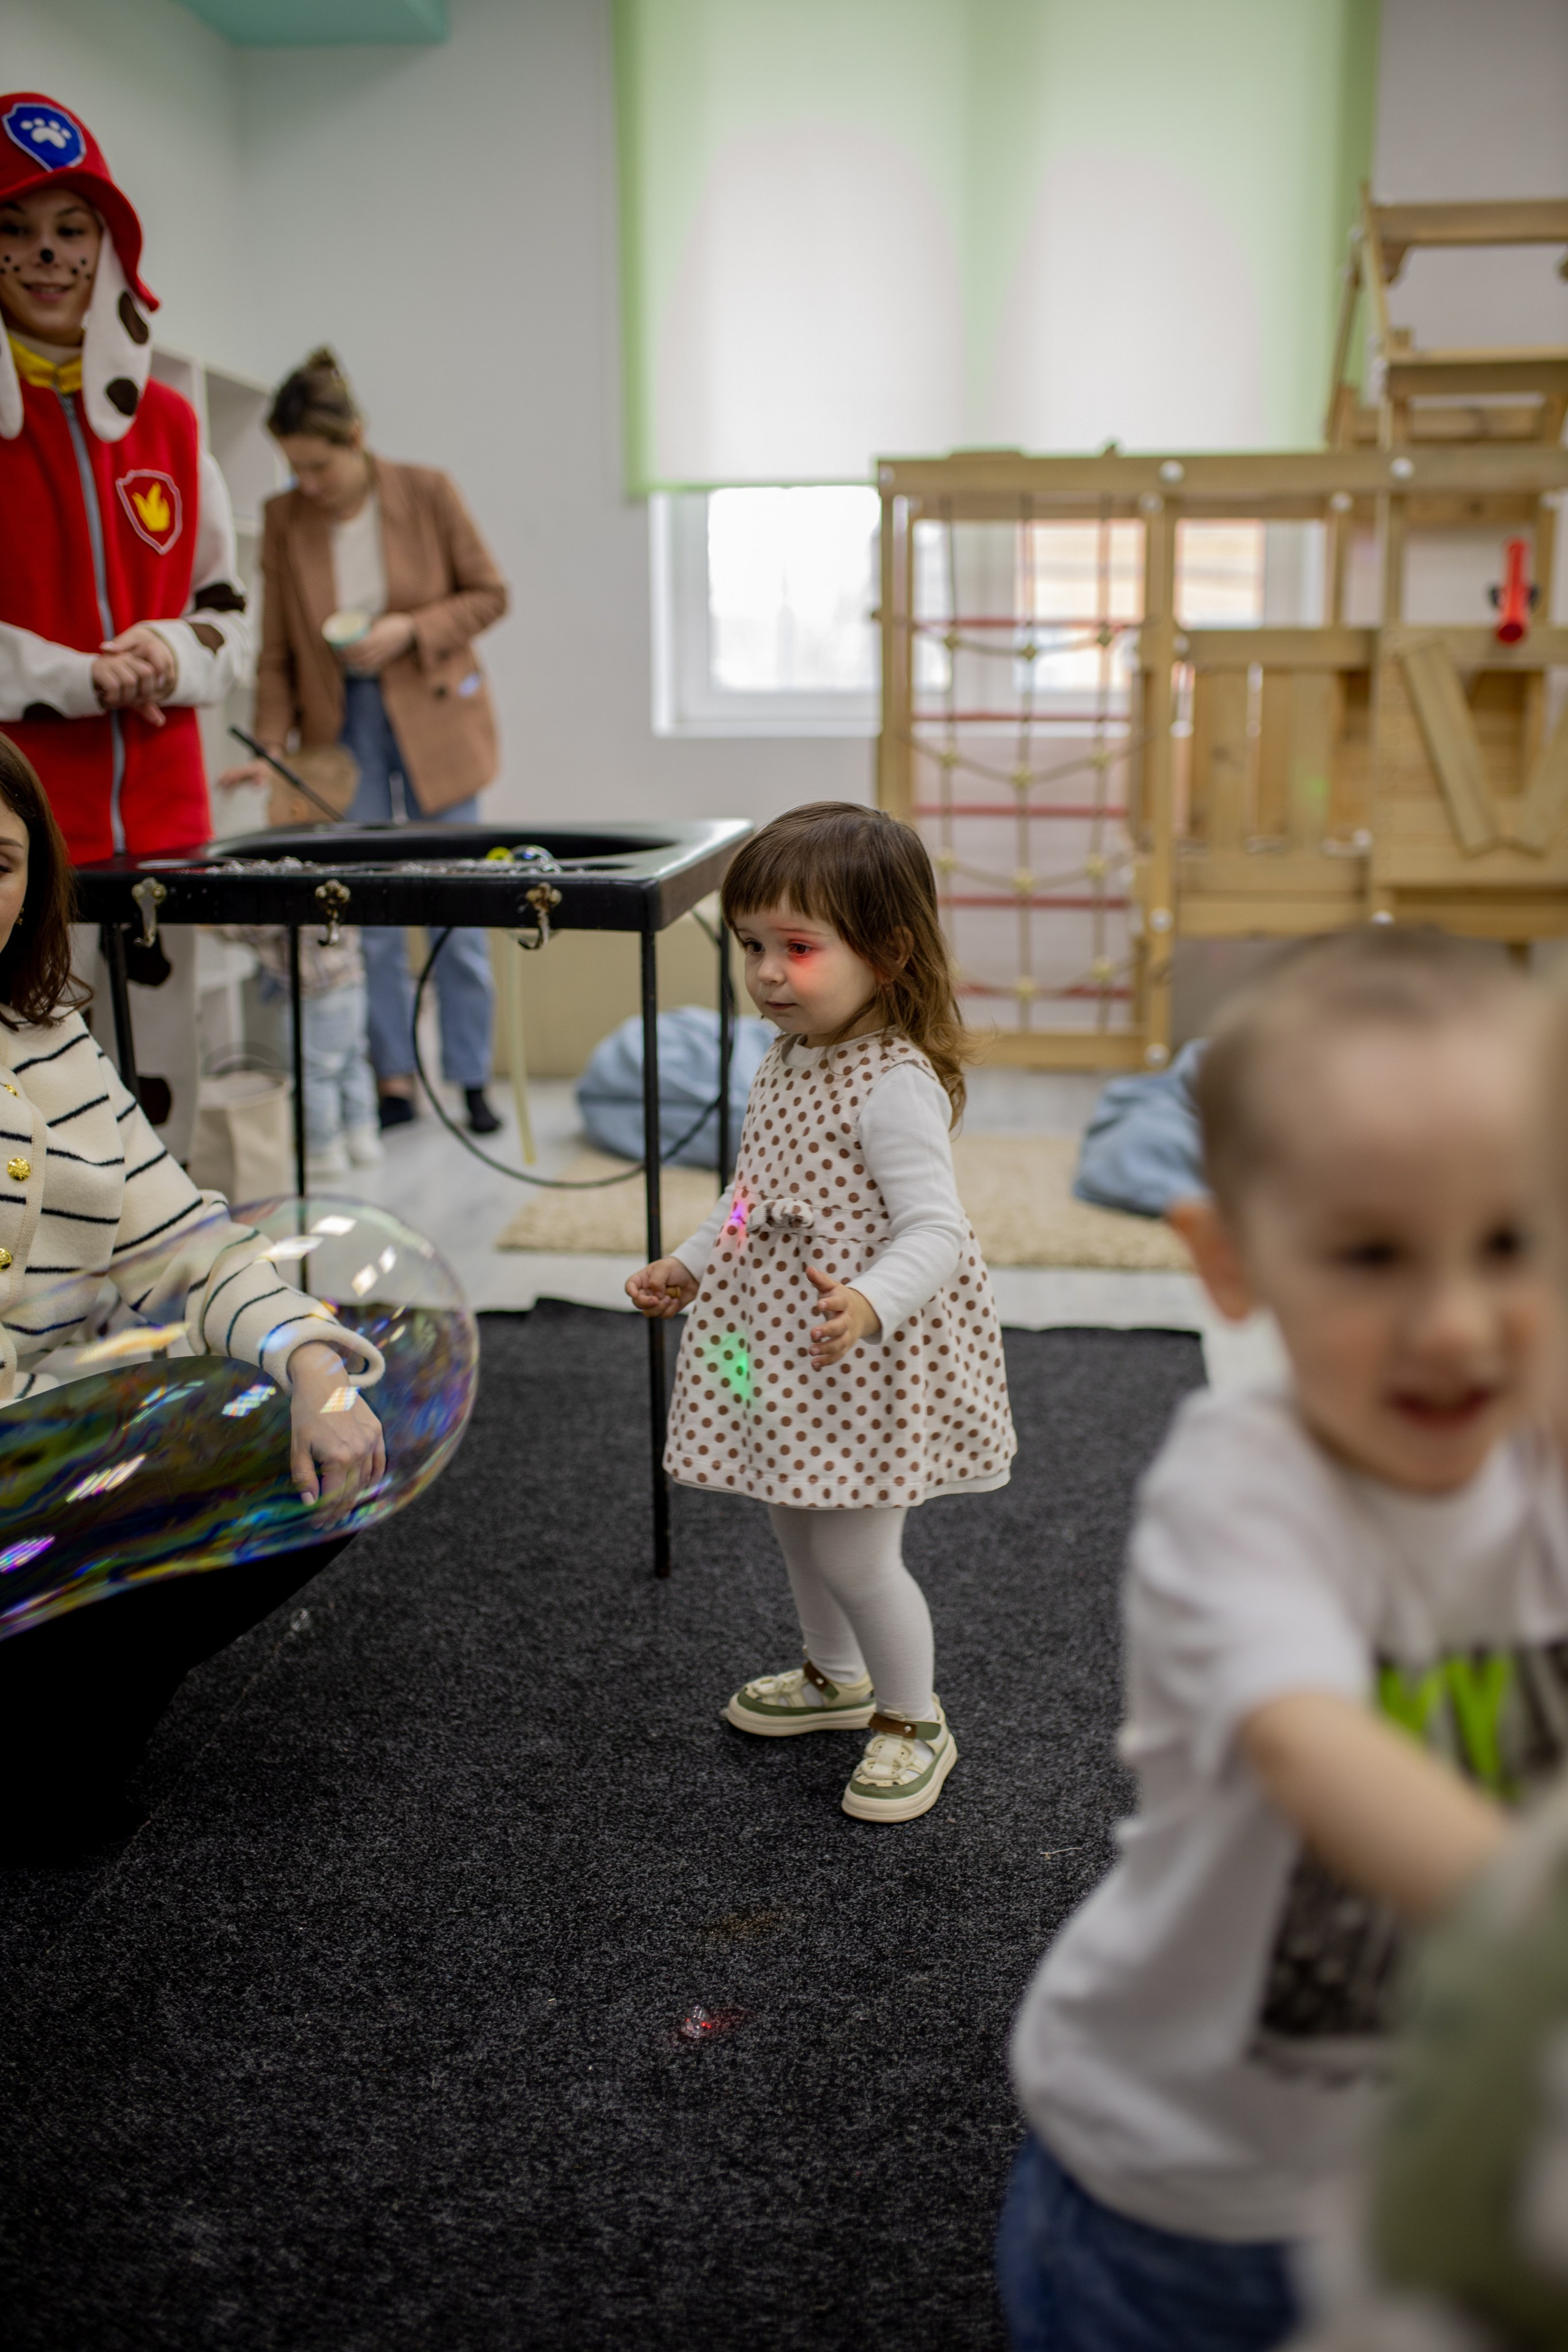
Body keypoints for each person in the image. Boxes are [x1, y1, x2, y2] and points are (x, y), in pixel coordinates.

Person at [999, 927, 1568, 2352]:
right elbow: (1310, 1744)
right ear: (1228, 1261)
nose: (1450, 1325)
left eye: (1506, 1242)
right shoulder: (1238, 1485)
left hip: (1450, 2166)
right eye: (1370, 1254)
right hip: (1186, 2192)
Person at [0, 731, 385, 1856]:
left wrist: (314, 1370)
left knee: (346, 1431)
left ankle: (55, 1739)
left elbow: (190, 1245)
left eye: (3, 863)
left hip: (35, 1452)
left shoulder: (48, 1035)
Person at [627, 802, 1016, 1823]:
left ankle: (912, 1719)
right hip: (782, 1348)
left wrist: (869, 1303)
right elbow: (753, 1193)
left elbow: (936, 1232)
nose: (764, 972)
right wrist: (693, 1262)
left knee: (852, 1548)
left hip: (862, 1355)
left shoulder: (894, 1086)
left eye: (797, 948)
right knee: (794, 1519)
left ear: (886, 955)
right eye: (751, 944)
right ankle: (834, 1677)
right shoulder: (787, 1059)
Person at [0, 92, 252, 1161]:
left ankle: (162, 1295)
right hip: (18, 831)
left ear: (107, 247)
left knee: (159, 1075)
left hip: (162, 823)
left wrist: (166, 653)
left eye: (70, 230)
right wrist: (67, 675)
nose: (45, 256)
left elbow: (227, 610)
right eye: (13, 229)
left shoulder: (172, 420)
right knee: (31, 1082)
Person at [219, 348, 508, 1136]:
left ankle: (471, 1076)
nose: (307, 484)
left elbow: (489, 594)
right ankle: (393, 1080)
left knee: (457, 901)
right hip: (339, 728)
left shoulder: (425, 491)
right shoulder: (285, 520)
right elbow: (277, 646)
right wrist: (273, 746)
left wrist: (408, 629)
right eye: (294, 469)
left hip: (434, 711)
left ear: (357, 439)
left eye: (319, 466)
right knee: (368, 907)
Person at [223, 921, 382, 1184]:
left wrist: (216, 927)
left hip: (314, 992)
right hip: (351, 979)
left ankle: (322, 1149)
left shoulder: (292, 887)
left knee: (313, 1074)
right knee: (353, 1062)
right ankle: (362, 1135)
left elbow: (257, 926)